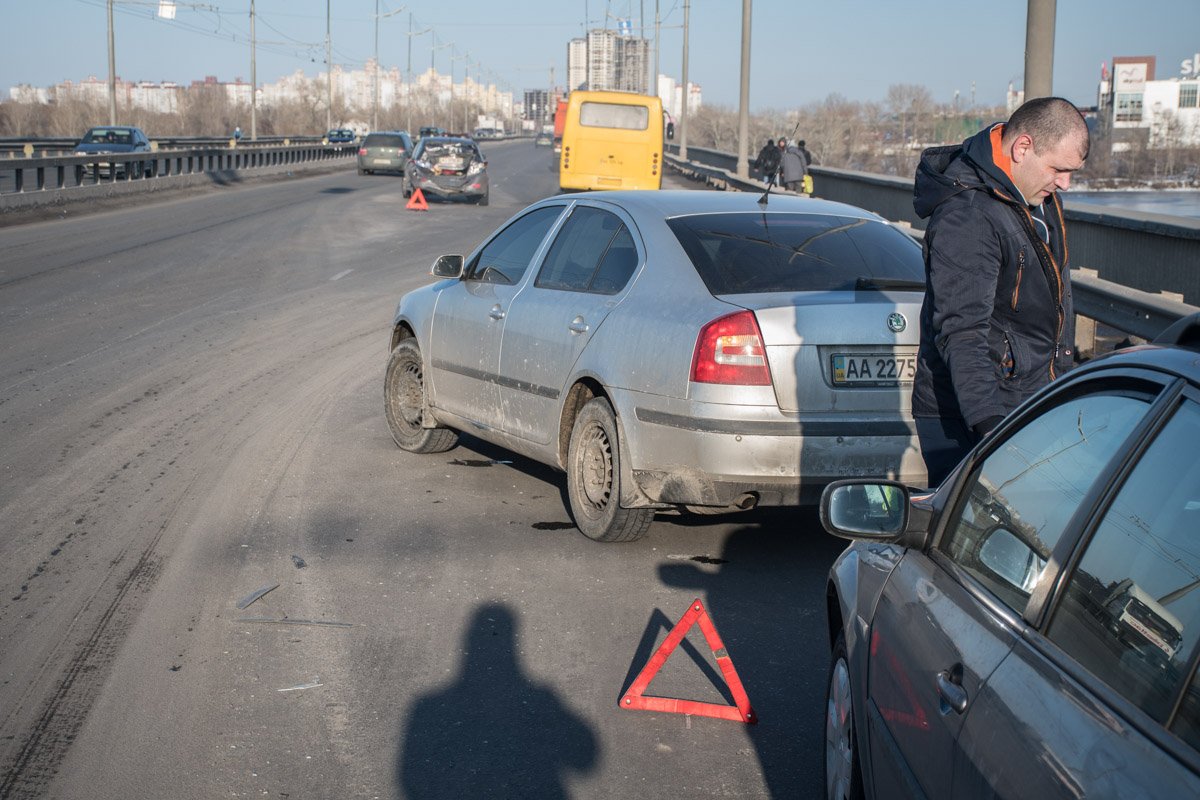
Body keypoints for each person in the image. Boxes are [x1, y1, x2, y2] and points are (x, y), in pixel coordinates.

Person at [910, 96, 1090, 486]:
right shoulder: (969, 214)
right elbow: (962, 331)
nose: (1065, 183)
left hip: (1027, 406)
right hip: (974, 418)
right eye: (1059, 169)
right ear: (1023, 147)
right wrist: (991, 428)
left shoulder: (1036, 198)